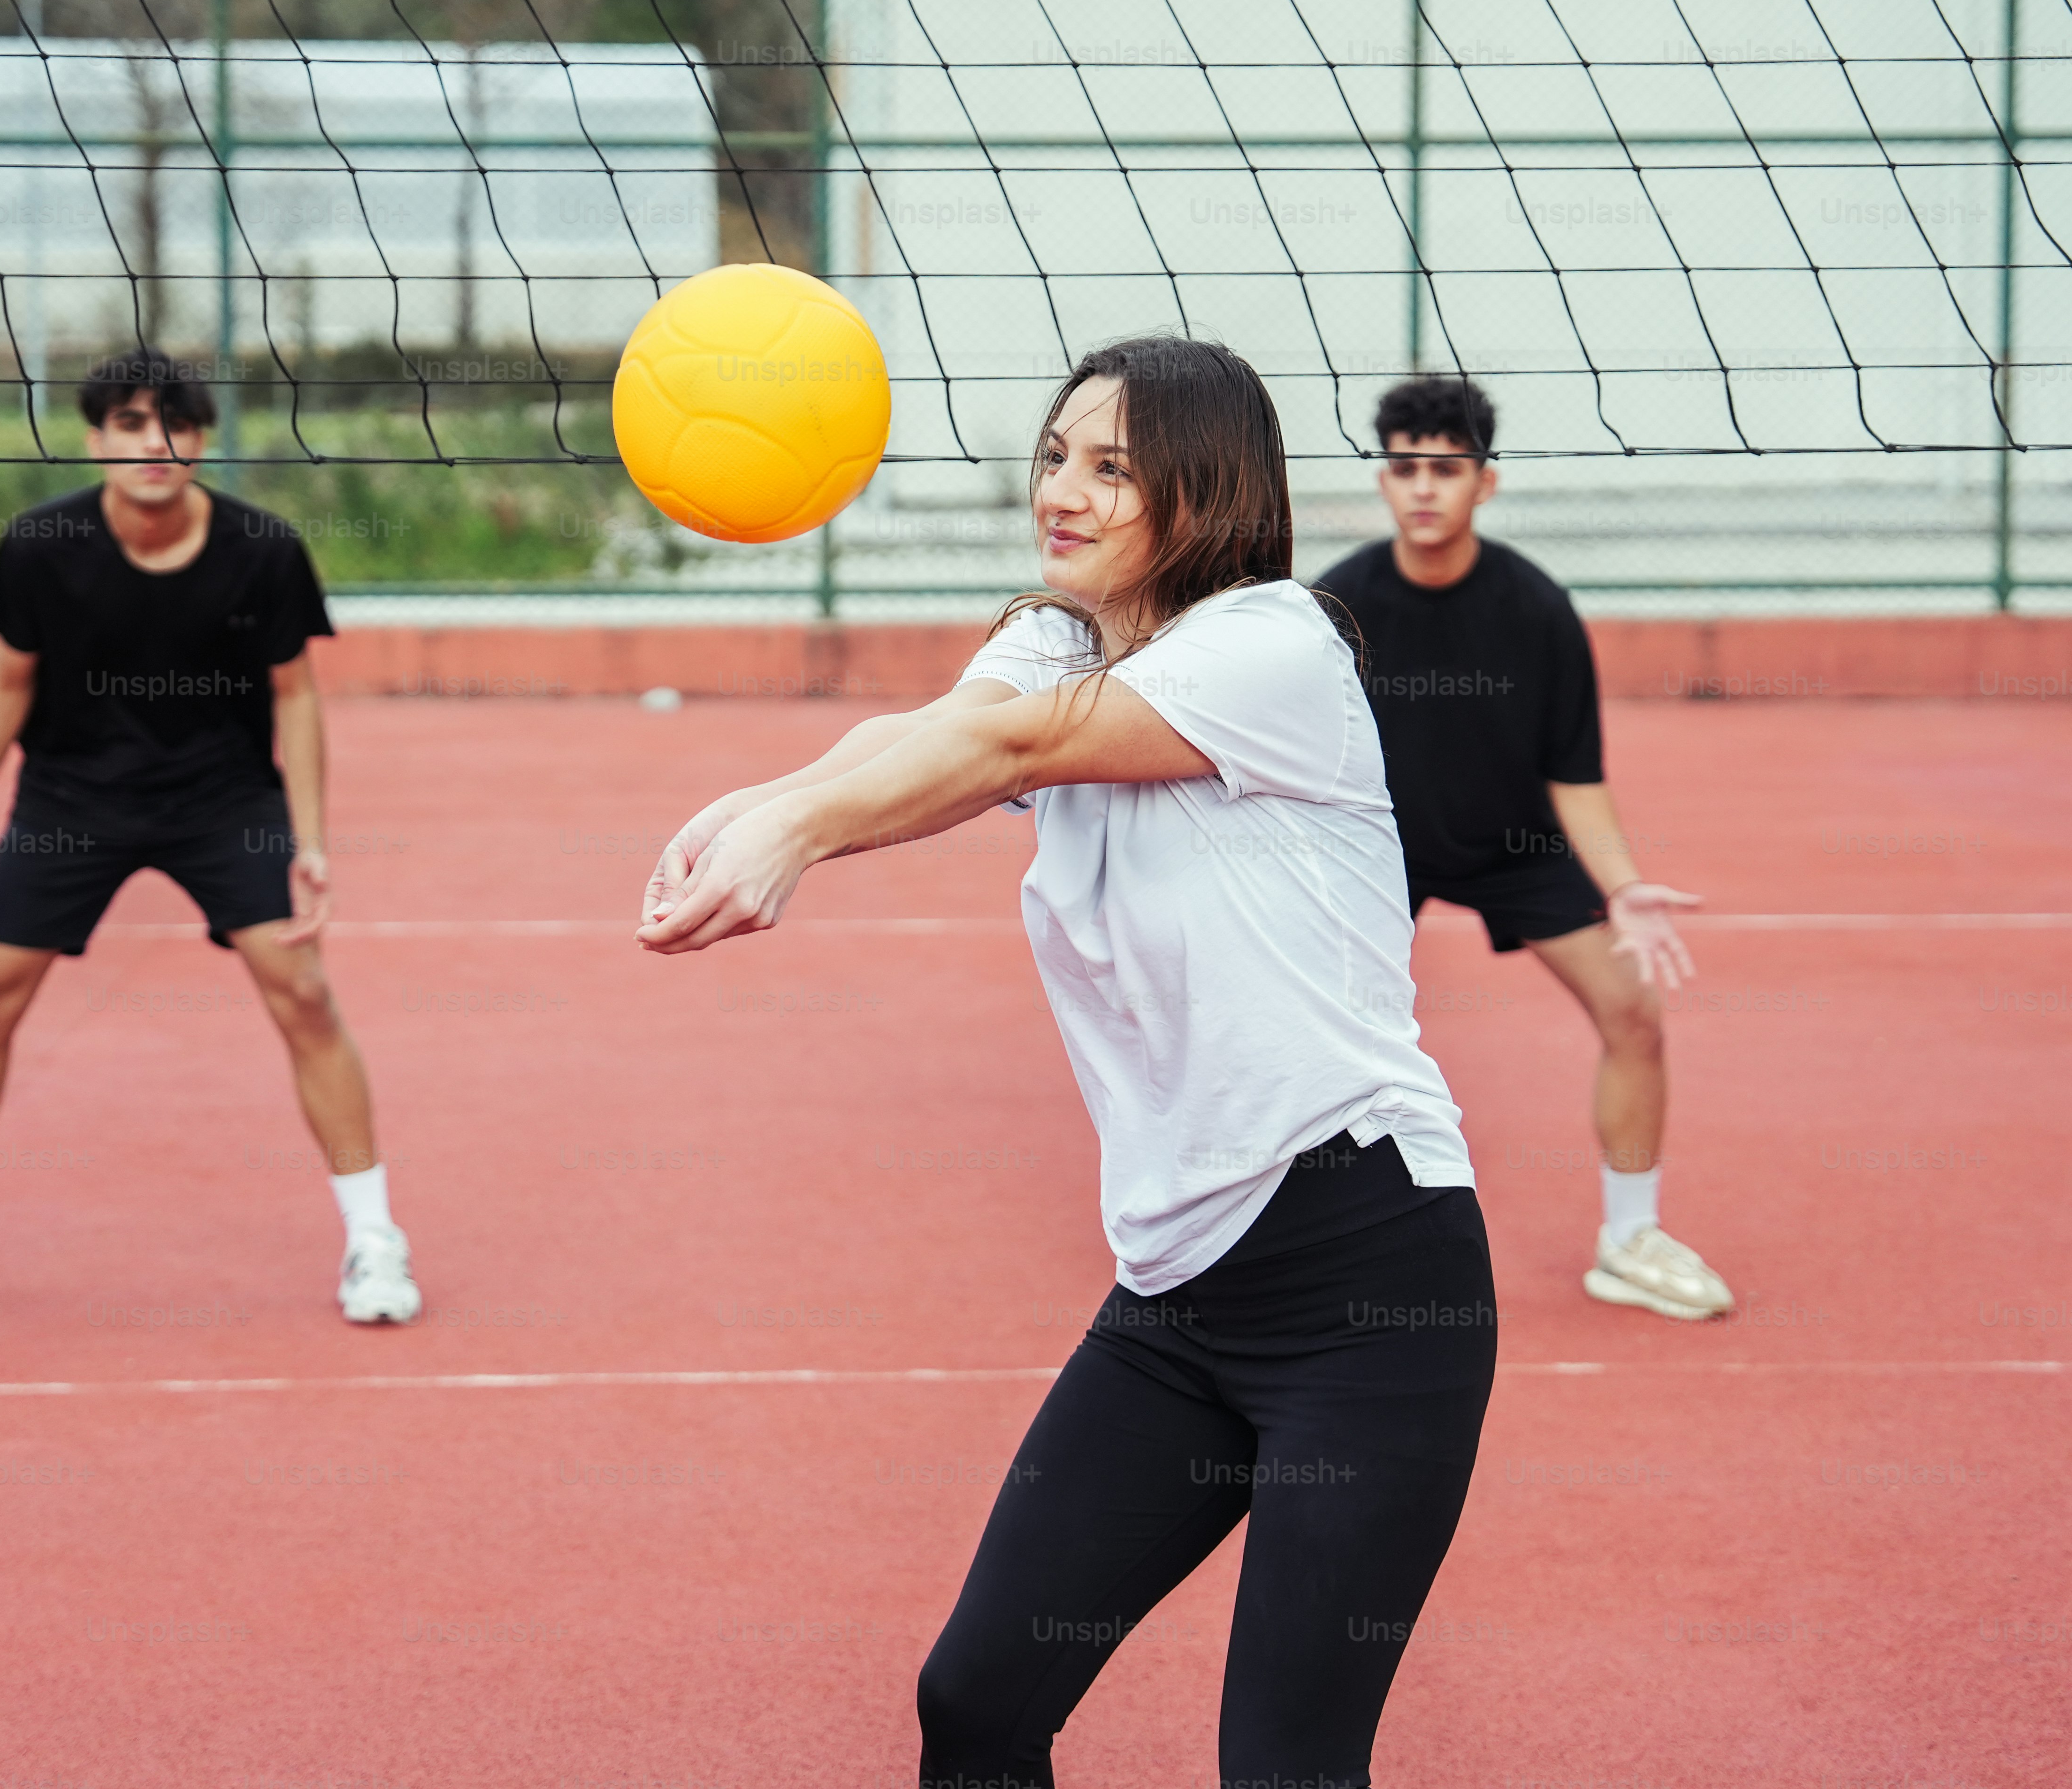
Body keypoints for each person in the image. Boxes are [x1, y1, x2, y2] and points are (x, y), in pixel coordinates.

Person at [638, 337, 1494, 1789]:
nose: (1066, 491)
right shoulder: (1056, 635)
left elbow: (1019, 745)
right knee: (975, 1700)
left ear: (1204, 488)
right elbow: (946, 727)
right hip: (1179, 1290)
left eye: (1112, 467)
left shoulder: (1275, 643)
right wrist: (766, 796)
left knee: (1287, 1764)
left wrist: (799, 838)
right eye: (1054, 456)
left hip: (1368, 1284)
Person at [0, 348, 420, 1330]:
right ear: (94, 437)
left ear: (201, 439)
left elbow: (297, 697)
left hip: (221, 797)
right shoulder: (38, 546)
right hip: (71, 796)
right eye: (130, 423)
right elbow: (6, 687)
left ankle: (375, 1240)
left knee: (304, 992)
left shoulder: (264, 550)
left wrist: (310, 841)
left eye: (176, 424)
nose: (155, 442)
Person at [1313, 375, 1733, 1322]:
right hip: (1379, 851)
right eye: (1405, 467)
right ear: (1384, 481)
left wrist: (1621, 886)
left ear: (1484, 484)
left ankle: (1629, 1239)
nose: (1424, 488)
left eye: (1446, 469)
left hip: (1516, 842)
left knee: (1633, 1011)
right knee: (1315, 1042)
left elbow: (1574, 776)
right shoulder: (1334, 607)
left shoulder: (1535, 608)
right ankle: (1294, 1250)